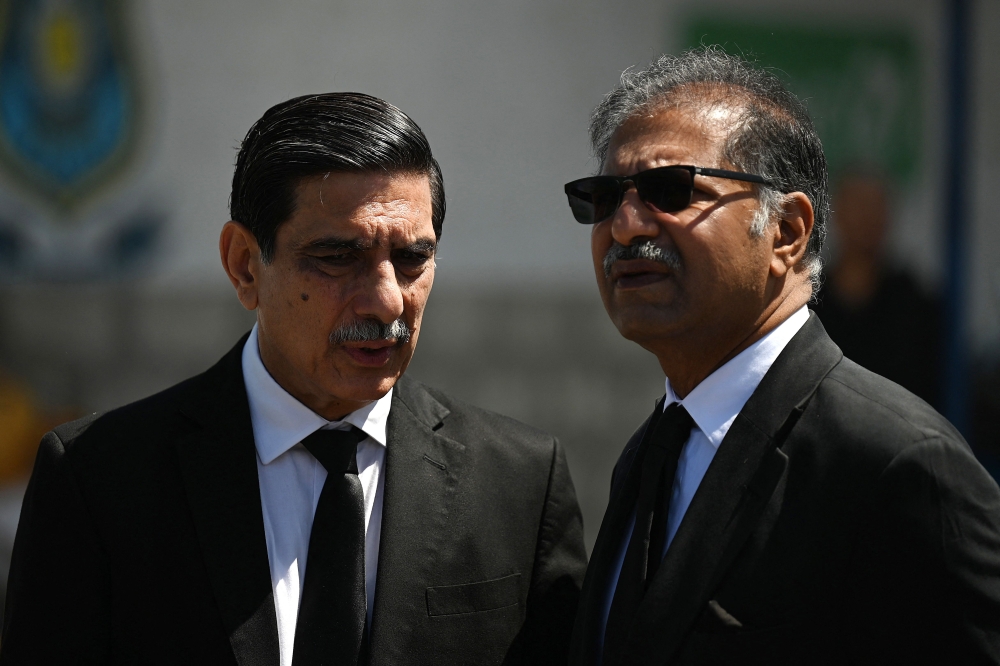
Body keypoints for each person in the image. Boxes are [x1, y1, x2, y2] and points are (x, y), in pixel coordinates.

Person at [1, 93, 587, 665]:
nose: (387, 301)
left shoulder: (519, 483)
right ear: (244, 265)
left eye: (412, 258)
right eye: (337, 257)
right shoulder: (100, 480)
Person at [562, 48, 1000, 665]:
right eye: (605, 198)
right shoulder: (651, 453)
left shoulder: (896, 464)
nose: (627, 225)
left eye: (671, 190)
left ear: (787, 232)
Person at [812, 171, 942, 407]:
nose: (867, 217)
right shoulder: (808, 301)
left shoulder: (913, 304)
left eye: (875, 207)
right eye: (858, 205)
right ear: (835, 214)